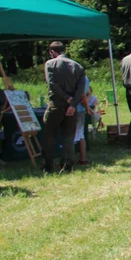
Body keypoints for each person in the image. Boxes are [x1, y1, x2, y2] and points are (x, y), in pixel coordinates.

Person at [42, 41, 86, 173]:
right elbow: (81, 89)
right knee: (68, 137)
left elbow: (52, 84)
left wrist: (66, 98)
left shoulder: (50, 64)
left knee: (49, 136)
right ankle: (67, 166)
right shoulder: (78, 66)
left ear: (52, 52)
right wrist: (73, 104)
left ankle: (48, 166)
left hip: (56, 105)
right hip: (72, 108)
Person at [73, 77, 100, 166]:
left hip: (76, 111)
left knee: (74, 135)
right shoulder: (83, 79)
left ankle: (72, 160)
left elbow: (84, 96)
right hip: (79, 110)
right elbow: (85, 96)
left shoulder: (82, 79)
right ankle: (82, 159)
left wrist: (86, 106)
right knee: (80, 135)